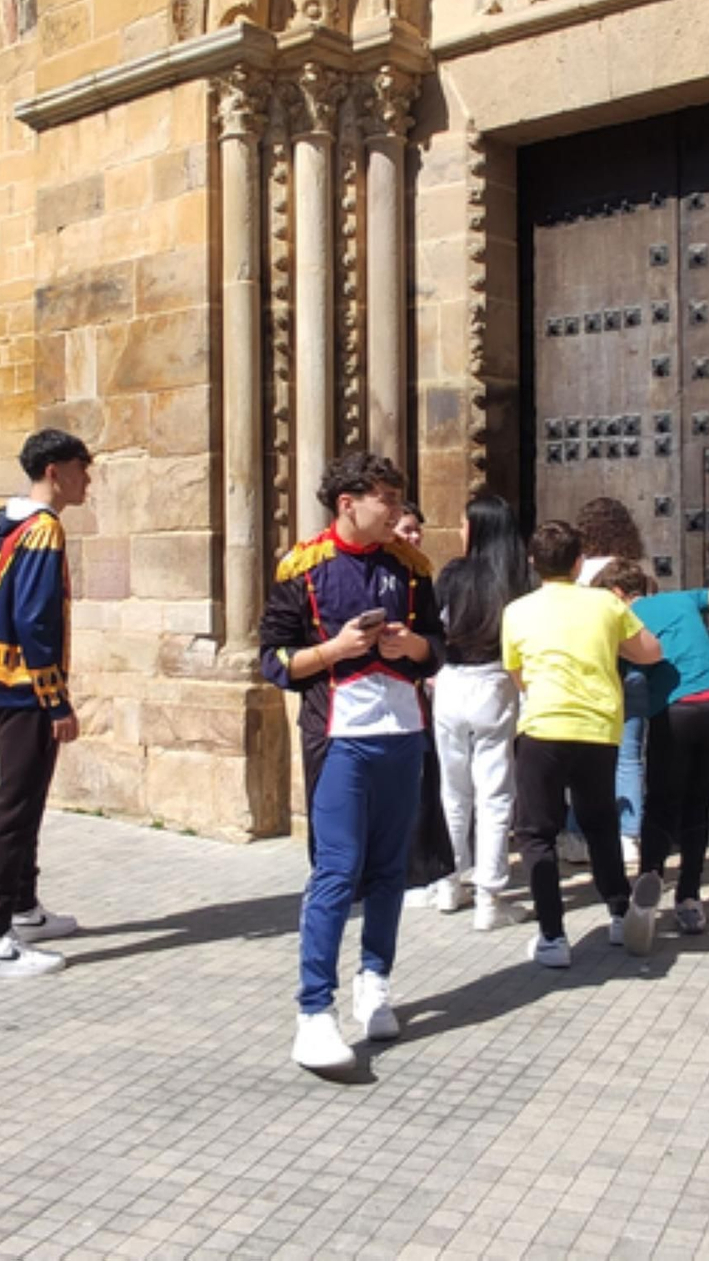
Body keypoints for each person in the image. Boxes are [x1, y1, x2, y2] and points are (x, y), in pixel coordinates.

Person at [261, 452, 444, 1070]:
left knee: (392, 867)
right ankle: (314, 1011)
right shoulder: (303, 566)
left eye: (397, 500)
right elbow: (274, 661)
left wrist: (412, 644)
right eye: (386, 500)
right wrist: (335, 649)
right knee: (337, 871)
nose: (397, 511)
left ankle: (376, 979)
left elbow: (437, 648)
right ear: (349, 503)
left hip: (403, 732)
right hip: (340, 736)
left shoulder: (411, 567)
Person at [502, 521, 664, 968]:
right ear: (579, 562)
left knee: (536, 834)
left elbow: (518, 674)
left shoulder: (516, 610)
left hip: (543, 727)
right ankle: (618, 912)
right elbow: (649, 651)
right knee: (600, 825)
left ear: (533, 563)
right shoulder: (606, 604)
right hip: (597, 729)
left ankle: (553, 936)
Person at [0, 428, 92, 979]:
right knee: (15, 806)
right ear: (54, 472)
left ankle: (24, 909)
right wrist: (56, 701)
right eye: (81, 469)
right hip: (23, 687)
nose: (86, 479)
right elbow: (35, 621)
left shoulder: (14, 525)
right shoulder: (42, 531)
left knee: (27, 799)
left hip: (6, 681)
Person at [597, 561, 709, 937]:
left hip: (677, 709)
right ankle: (690, 898)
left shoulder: (622, 620)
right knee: (699, 800)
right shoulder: (683, 599)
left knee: (660, 803)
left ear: (616, 595)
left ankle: (646, 892)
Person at [431, 492, 536, 932]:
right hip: (496, 684)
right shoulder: (519, 579)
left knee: (453, 791)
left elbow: (435, 624)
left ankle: (449, 882)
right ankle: (489, 899)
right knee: (494, 795)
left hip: (452, 682)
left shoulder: (455, 574)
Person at [572, 496, 650, 869]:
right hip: (633, 668)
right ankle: (628, 835)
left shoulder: (580, 572)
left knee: (582, 757)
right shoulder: (637, 570)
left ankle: (577, 835)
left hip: (591, 672)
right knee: (629, 754)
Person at [394, 500, 458, 903]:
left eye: (418, 529)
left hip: (419, 696)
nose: (415, 536)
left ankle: (423, 867)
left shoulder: (421, 578)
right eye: (406, 529)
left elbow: (435, 637)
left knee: (425, 783)